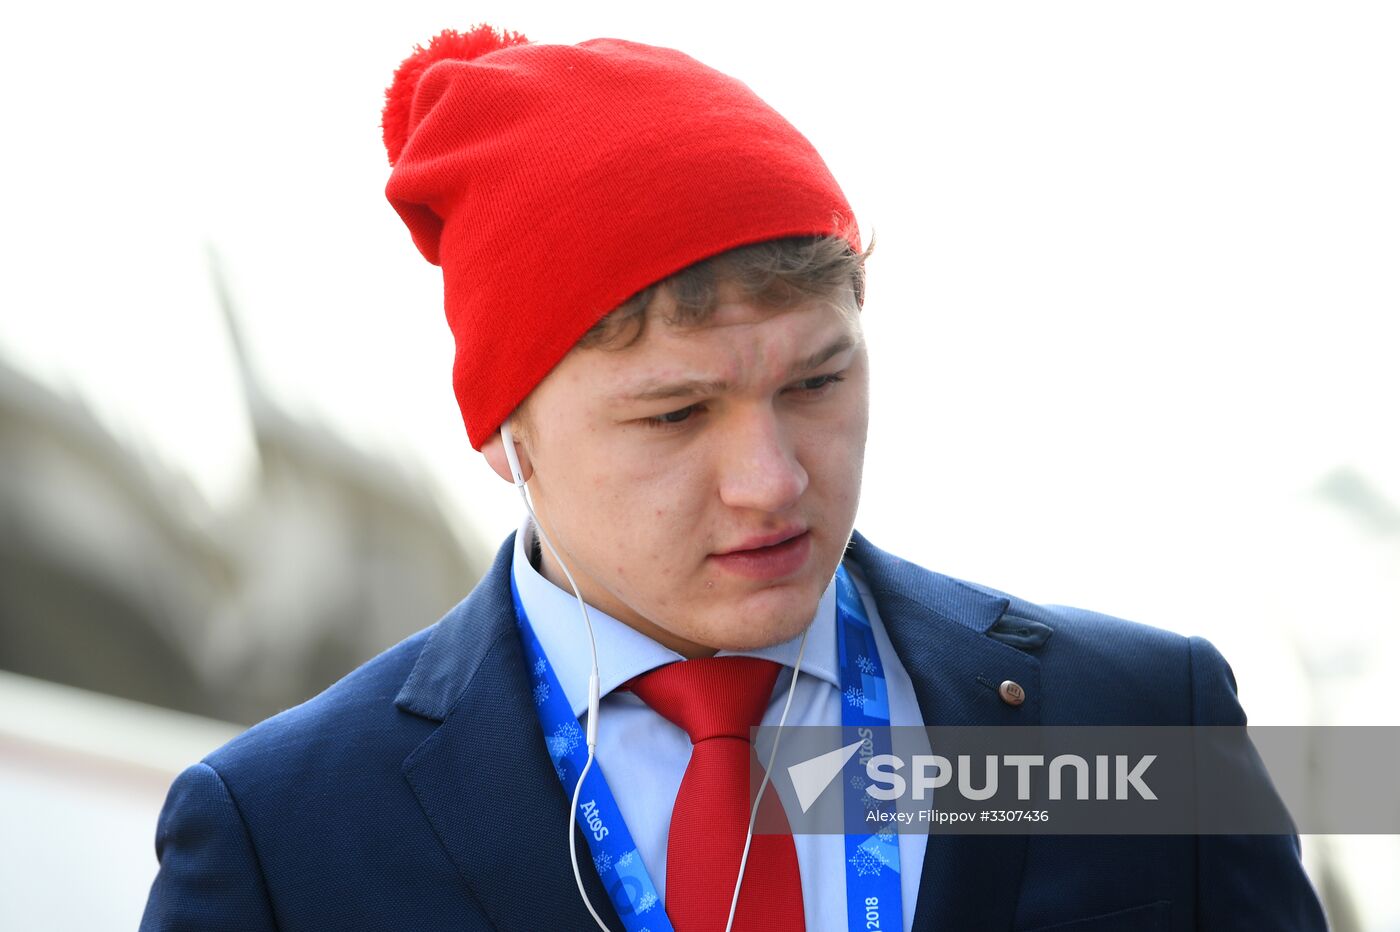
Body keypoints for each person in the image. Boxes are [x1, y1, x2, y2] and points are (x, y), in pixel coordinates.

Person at [139, 24, 1328, 932]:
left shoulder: (1132, 719)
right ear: (505, 431)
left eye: (817, 383)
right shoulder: (284, 835)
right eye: (674, 411)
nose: (770, 481)